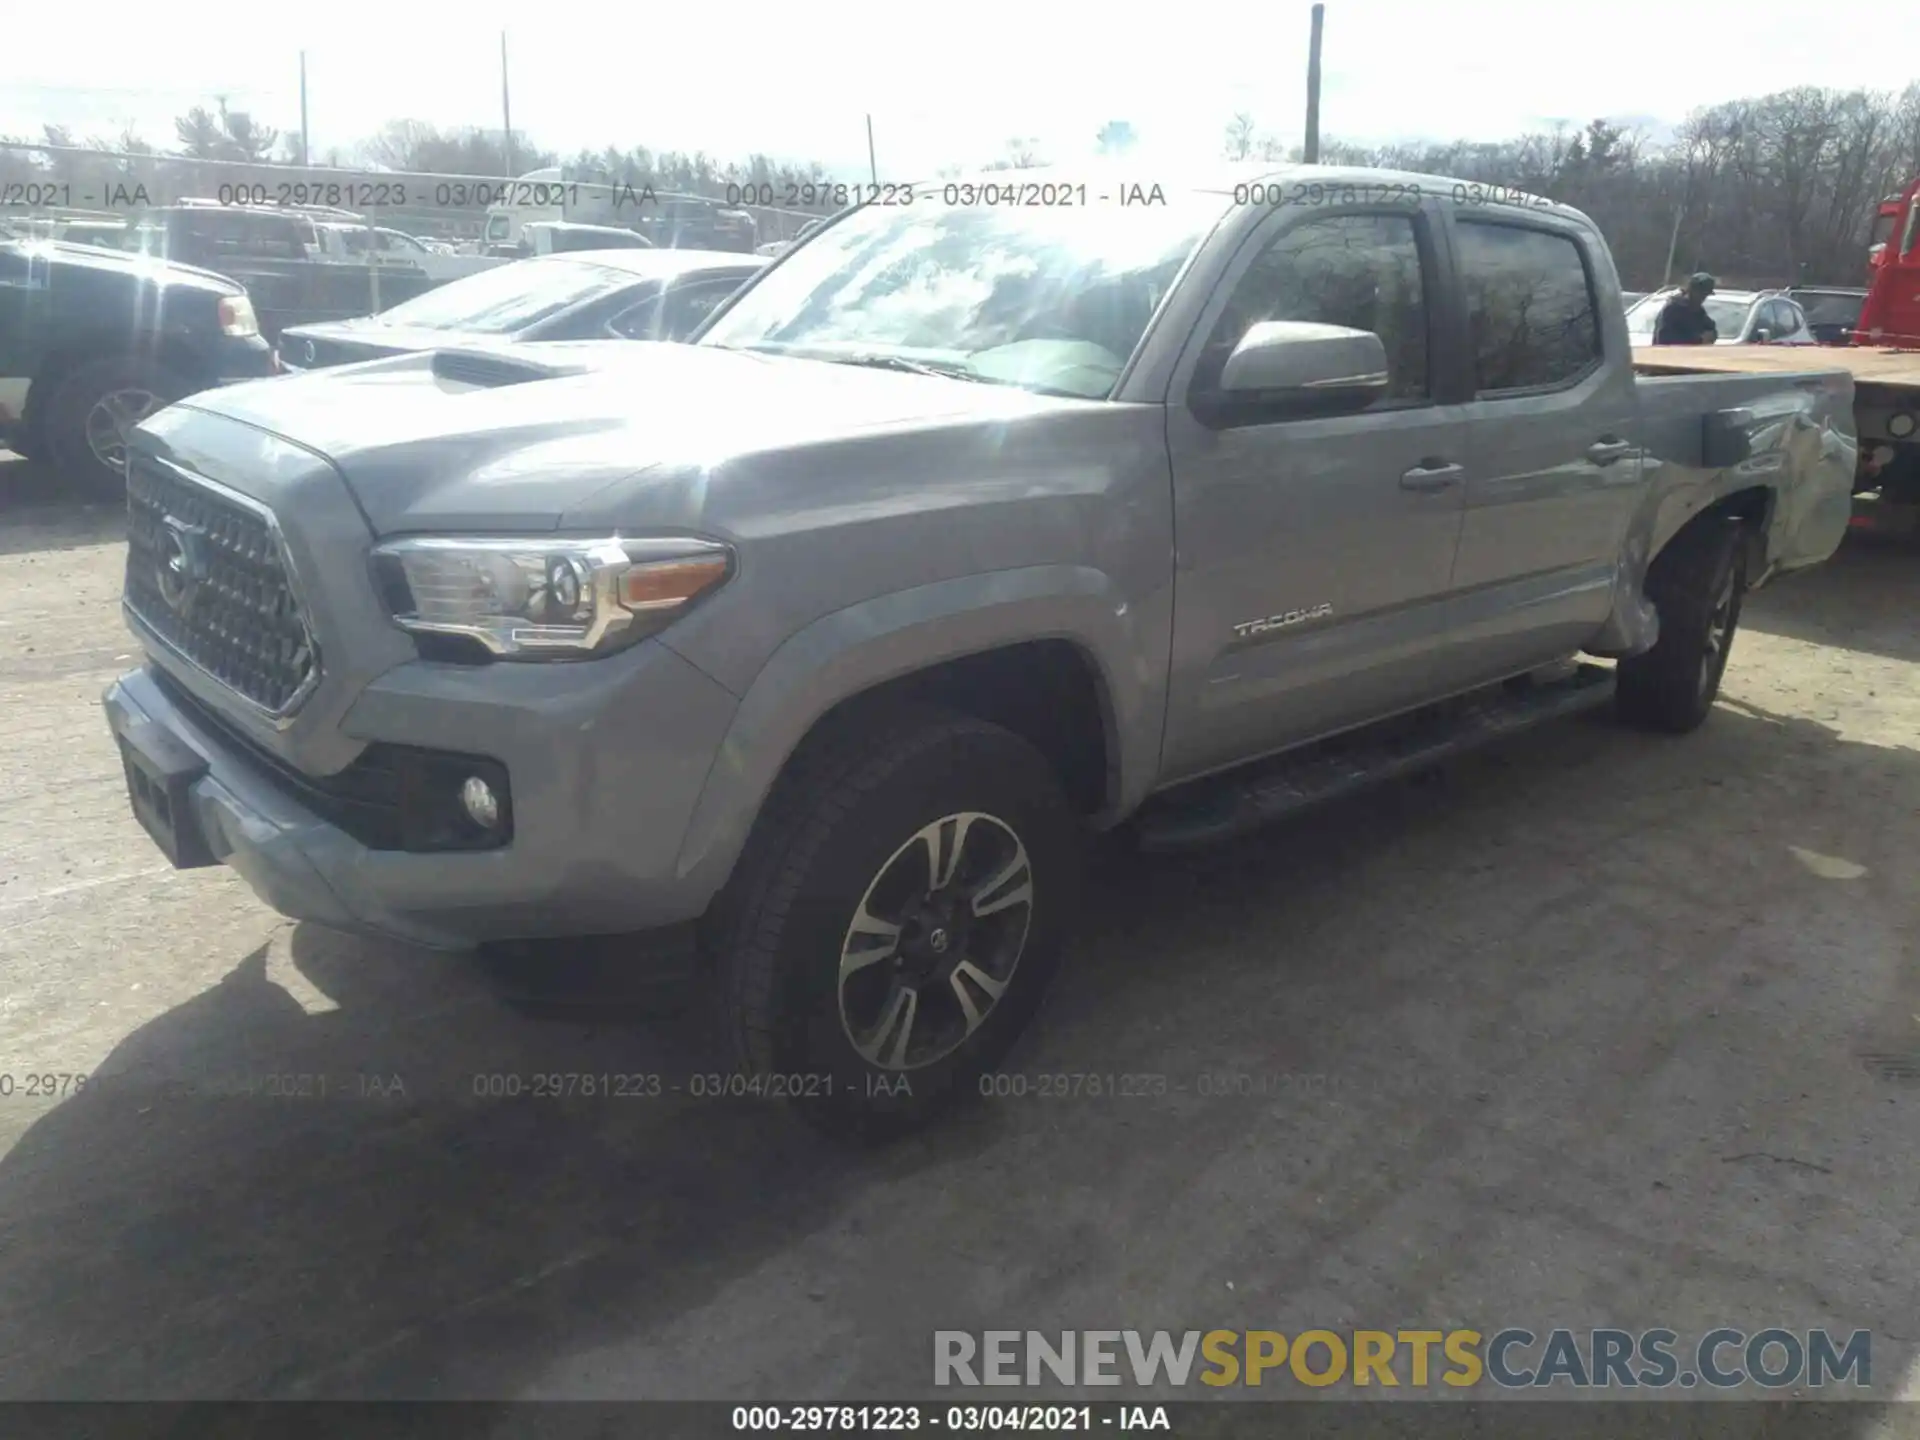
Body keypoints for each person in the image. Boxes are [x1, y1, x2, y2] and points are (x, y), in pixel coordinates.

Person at [1653, 273, 1720, 345]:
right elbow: (1664, 338)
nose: (1702, 298)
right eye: (1701, 293)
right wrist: (1699, 340)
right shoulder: (1673, 309)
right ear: (1691, 290)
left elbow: (1710, 327)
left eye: (1705, 295)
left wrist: (1711, 334)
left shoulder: (1698, 311)